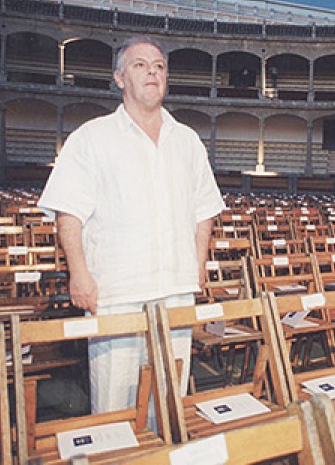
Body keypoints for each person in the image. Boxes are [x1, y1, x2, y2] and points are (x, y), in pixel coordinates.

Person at [38, 35, 225, 419]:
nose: (152, 72)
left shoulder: (187, 141)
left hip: (175, 288)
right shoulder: (92, 138)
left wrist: (198, 263)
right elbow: (68, 213)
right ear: (120, 78)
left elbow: (203, 209)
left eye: (159, 66)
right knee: (114, 405)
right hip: (116, 291)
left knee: (169, 401)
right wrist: (79, 274)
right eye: (140, 65)